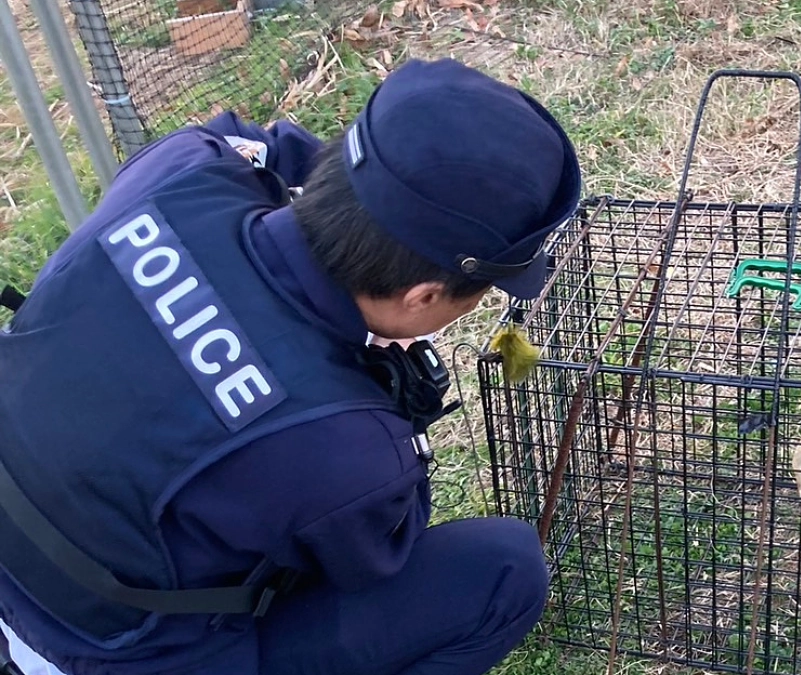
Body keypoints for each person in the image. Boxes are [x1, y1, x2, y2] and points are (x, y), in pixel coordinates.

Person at [0, 57, 582, 675]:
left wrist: (370, 184)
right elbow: (379, 552)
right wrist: (396, 407)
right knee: (505, 570)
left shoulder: (184, 170)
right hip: (112, 652)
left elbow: (252, 141)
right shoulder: (346, 444)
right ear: (423, 297)